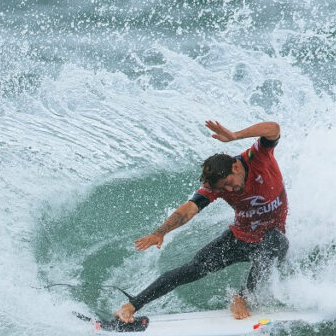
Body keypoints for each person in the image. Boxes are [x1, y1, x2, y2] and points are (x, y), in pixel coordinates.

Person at [115, 119, 288, 322]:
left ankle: (241, 297)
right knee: (192, 268)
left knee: (276, 242)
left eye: (228, 184)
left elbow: (273, 128)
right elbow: (189, 209)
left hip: (270, 241)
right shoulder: (216, 186)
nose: (228, 191)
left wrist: (234, 136)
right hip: (240, 239)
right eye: (222, 189)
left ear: (235, 168)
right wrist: (160, 232)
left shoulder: (257, 157)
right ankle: (130, 306)